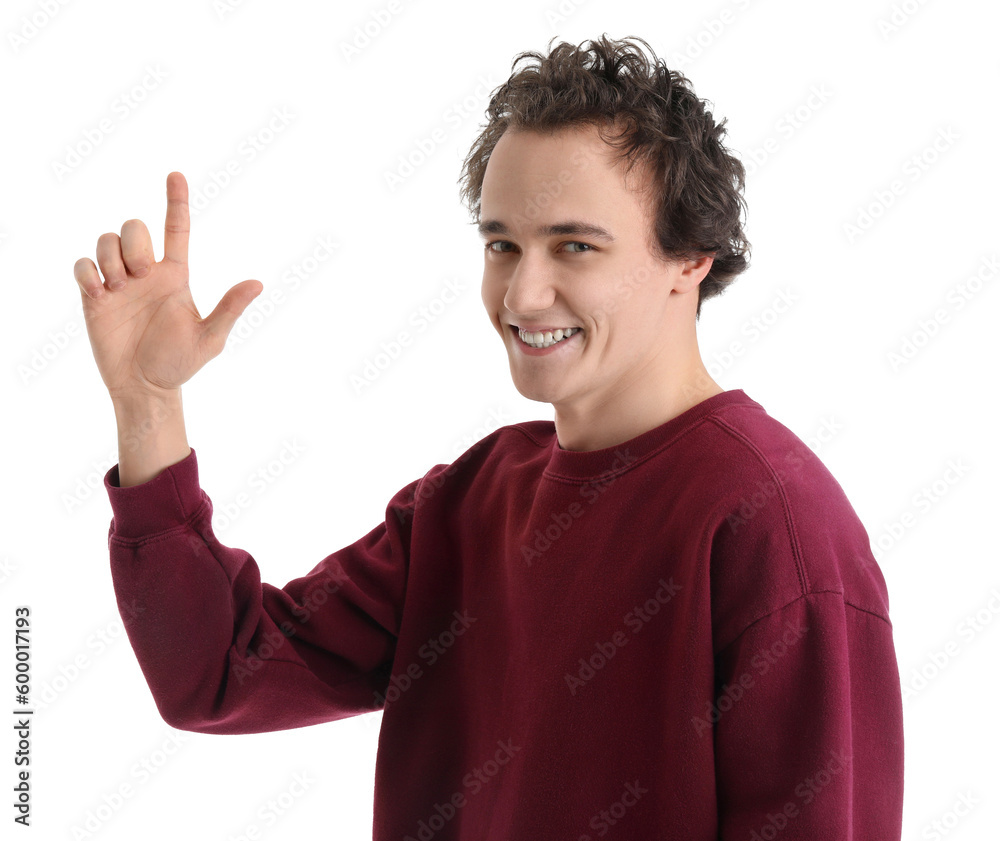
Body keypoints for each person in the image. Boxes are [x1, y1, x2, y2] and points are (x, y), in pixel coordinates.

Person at [75, 34, 904, 840]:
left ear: (690, 259)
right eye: (502, 244)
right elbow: (221, 671)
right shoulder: (472, 498)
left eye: (575, 245)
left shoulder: (774, 522)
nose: (523, 291)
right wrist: (148, 401)